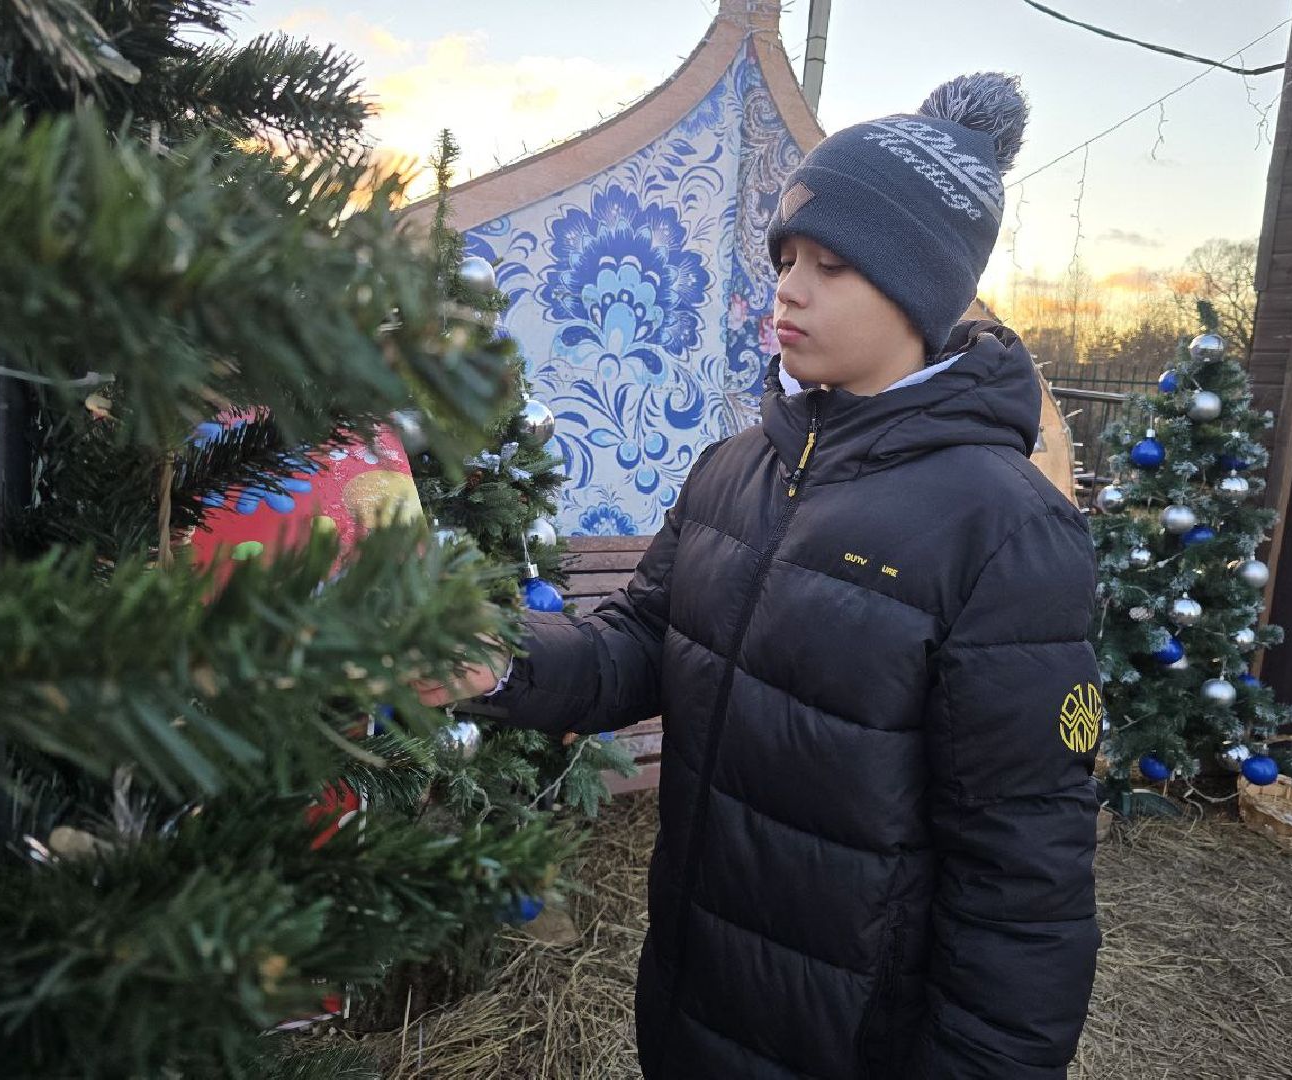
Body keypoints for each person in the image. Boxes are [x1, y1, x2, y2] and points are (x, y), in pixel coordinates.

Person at [418, 72, 1101, 1080]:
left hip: (854, 1042)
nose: (789, 286)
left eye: (833, 264)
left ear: (920, 288)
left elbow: (1024, 879)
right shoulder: (739, 467)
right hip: (694, 999)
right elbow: (642, 643)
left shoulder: (1004, 528)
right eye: (786, 256)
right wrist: (503, 664)